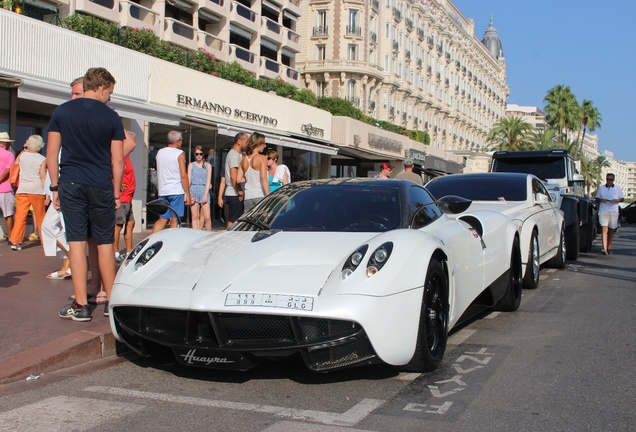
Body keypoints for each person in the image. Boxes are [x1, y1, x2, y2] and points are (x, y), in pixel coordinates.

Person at [47, 67, 125, 322]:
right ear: (102, 87)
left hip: (70, 182)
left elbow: (51, 155)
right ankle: (111, 302)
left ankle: (80, 305)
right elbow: (117, 161)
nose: (110, 98)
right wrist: (115, 192)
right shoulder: (112, 117)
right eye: (110, 92)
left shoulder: (62, 111)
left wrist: (55, 187)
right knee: (104, 242)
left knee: (77, 241)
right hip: (101, 184)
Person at [41, 77, 84, 279]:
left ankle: (71, 265)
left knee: (66, 229)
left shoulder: (86, 119)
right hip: (59, 185)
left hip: (72, 184)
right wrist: (51, 188)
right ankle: (71, 262)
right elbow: (52, 156)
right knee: (50, 227)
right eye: (72, 93)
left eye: (77, 93)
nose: (72, 97)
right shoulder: (65, 115)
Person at [9, 135, 47, 251]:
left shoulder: (22, 155)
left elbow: (14, 167)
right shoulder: (42, 158)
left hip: (22, 189)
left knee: (20, 217)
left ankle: (15, 241)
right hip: (37, 190)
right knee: (41, 217)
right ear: (40, 145)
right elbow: (42, 176)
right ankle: (45, 241)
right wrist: (46, 192)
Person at [152, 130, 191, 232]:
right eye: (181, 140)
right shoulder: (179, 153)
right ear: (177, 141)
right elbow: (183, 175)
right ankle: (170, 243)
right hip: (176, 190)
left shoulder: (160, 152)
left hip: (163, 189)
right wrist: (187, 193)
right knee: (175, 218)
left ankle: (152, 239)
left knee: (163, 218)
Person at [114, 130, 137, 262]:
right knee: (118, 225)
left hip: (128, 197)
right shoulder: (119, 156)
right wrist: (117, 184)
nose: (134, 144)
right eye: (133, 141)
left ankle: (129, 251)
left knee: (130, 223)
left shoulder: (126, 157)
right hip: (122, 198)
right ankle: (115, 252)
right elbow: (111, 169)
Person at [218, 132, 248, 228]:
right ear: (239, 142)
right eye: (246, 141)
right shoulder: (234, 155)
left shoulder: (235, 154)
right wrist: (239, 191)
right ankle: (228, 239)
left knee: (235, 220)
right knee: (233, 221)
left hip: (233, 192)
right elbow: (233, 176)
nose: (248, 144)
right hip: (234, 193)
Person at [239, 132, 270, 212]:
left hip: (248, 197)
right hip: (259, 195)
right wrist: (268, 196)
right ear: (258, 144)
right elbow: (263, 178)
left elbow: (238, 179)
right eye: (263, 143)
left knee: (249, 223)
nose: (265, 145)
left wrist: (249, 178)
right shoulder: (262, 158)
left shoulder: (243, 160)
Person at [596, 173, 624, 255]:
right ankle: (604, 248)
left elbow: (622, 198)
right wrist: (601, 199)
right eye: (607, 179)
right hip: (604, 210)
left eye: (610, 179)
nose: (609, 181)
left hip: (613, 210)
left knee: (611, 229)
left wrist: (617, 200)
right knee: (604, 229)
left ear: (613, 180)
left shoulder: (617, 188)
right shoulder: (601, 188)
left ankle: (609, 247)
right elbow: (597, 197)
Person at [188, 145, 212, 230]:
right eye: (196, 154)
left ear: (203, 154)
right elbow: (189, 180)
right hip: (193, 190)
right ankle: (196, 235)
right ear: (194, 154)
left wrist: (205, 194)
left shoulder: (208, 166)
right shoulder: (191, 165)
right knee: (195, 217)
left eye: (200, 154)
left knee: (207, 217)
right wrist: (186, 194)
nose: (198, 156)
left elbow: (208, 180)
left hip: (203, 189)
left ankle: (209, 235)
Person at [0, 132, 15, 243]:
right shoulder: (9, 154)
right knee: (8, 214)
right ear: (5, 143)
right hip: (4, 188)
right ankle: (11, 237)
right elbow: (8, 170)